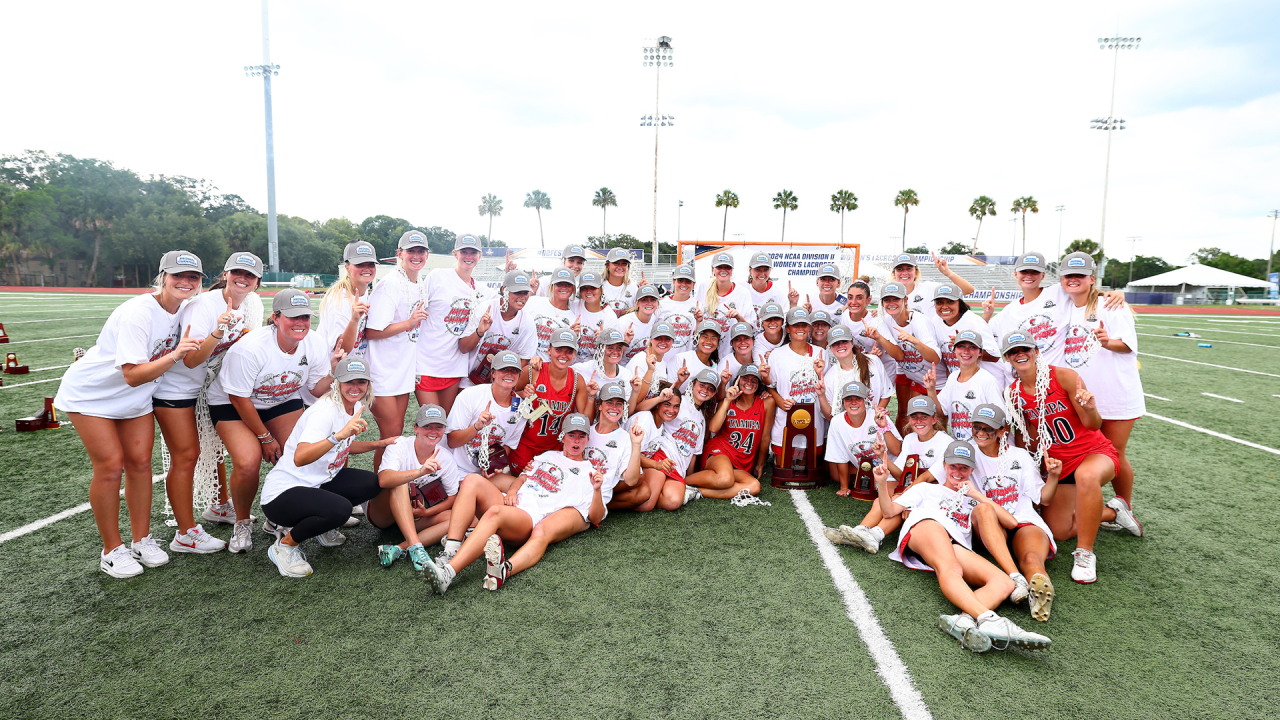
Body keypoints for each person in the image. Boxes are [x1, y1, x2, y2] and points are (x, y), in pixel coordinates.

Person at [55, 250, 205, 578]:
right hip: (92, 395)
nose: (185, 282)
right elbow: (132, 374)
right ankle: (111, 550)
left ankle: (142, 540)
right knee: (110, 466)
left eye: (192, 277)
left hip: (135, 397)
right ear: (162, 277)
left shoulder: (186, 308)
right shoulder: (139, 312)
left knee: (139, 464)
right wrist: (176, 355)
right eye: (177, 275)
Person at [876, 440, 1052, 653]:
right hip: (927, 526)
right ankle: (989, 618)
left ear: (972, 469)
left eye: (964, 467)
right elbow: (888, 512)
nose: (957, 472)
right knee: (951, 568)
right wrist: (882, 483)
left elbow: (1011, 522)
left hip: (955, 542)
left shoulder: (972, 500)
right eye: (953, 466)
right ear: (943, 465)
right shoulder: (925, 489)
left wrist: (977, 495)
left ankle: (962, 620)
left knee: (1004, 584)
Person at [1001, 331, 1140, 584]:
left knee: (1086, 476)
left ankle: (1085, 553)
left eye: (1025, 349)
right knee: (1059, 531)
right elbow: (1028, 437)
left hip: (1093, 454)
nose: (1020, 354)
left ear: (1036, 352)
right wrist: (1034, 470)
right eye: (1013, 352)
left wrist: (1090, 408)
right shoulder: (1013, 393)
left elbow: (1093, 424)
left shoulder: (1064, 376)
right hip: (1060, 465)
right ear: (1007, 358)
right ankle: (1112, 512)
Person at [210, 288, 342, 554]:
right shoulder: (250, 349)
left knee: (306, 453)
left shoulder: (314, 343)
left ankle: (283, 517)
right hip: (233, 404)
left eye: (305, 317)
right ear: (276, 318)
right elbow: (239, 399)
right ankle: (242, 521)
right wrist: (265, 437)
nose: (300, 323)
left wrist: (335, 371)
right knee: (248, 462)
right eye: (293, 317)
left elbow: (316, 389)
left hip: (280, 399)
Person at [153, 251, 265, 554]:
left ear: (257, 281)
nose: (243, 279)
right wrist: (218, 331)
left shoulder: (248, 304)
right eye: (237, 272)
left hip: (204, 387)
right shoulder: (205, 306)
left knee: (213, 449)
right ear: (225, 274)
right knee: (186, 457)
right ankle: (185, 533)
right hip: (177, 389)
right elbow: (190, 360)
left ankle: (218, 506)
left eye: (250, 275)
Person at [423, 413, 607, 593]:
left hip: (529, 517)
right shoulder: (549, 455)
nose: (576, 441)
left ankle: (447, 573)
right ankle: (451, 550)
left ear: (587, 439)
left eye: (581, 436)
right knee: (472, 480)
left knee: (495, 512)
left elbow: (595, 517)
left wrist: (597, 489)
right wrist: (512, 491)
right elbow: (524, 477)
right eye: (571, 435)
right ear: (563, 437)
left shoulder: (588, 472)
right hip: (515, 501)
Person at [258, 357, 394, 577]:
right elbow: (300, 457)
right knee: (340, 510)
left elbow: (343, 447)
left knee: (371, 483)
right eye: (349, 382)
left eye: (361, 382)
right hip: (281, 495)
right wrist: (339, 435)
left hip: (317, 481)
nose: (355, 387)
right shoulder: (324, 412)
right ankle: (285, 546)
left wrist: (379, 444)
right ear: (337, 382)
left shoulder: (355, 405)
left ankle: (322, 527)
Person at [1054, 251, 1146, 531]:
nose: (1073, 280)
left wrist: (1108, 342)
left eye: (1079, 276)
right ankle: (1108, 509)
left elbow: (1129, 345)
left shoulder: (1110, 305)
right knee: (1087, 454)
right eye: (1069, 275)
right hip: (1083, 397)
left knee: (1115, 453)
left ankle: (1123, 507)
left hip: (1115, 391)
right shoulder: (1065, 305)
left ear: (1091, 279)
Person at [965, 404, 1061, 622]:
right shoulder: (966, 453)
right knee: (984, 509)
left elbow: (1043, 498)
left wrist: (1053, 477)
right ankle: (1015, 578)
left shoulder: (1020, 456)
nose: (980, 433)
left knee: (1031, 558)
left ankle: (1039, 592)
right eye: (976, 426)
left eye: (987, 429)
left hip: (1021, 518)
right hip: (988, 524)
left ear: (1002, 431)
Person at [829, 395, 952, 547]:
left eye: (924, 417)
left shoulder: (946, 443)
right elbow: (901, 475)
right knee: (882, 498)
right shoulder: (910, 439)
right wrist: (882, 456)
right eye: (914, 417)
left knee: (896, 500)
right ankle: (859, 531)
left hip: (934, 493)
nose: (919, 421)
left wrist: (905, 495)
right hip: (914, 487)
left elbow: (927, 478)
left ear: (934, 419)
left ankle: (874, 536)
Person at [370, 404, 464, 572]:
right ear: (416, 428)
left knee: (457, 519)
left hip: (414, 517)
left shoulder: (446, 458)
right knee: (399, 483)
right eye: (427, 426)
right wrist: (421, 471)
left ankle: (398, 548)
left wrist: (426, 513)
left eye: (438, 427)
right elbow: (383, 480)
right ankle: (416, 548)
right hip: (383, 514)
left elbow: (452, 497)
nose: (433, 431)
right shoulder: (399, 445)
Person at [366, 230, 430, 471]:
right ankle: (377, 498)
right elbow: (372, 331)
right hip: (381, 373)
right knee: (390, 436)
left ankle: (384, 495)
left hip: (401, 373)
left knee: (394, 435)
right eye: (410, 251)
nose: (416, 255)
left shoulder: (419, 282)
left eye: (420, 251)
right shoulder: (390, 284)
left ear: (427, 254)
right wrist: (409, 323)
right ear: (399, 254)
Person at [416, 233, 491, 413]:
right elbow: (415, 306)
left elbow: (508, 300)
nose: (468, 256)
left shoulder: (480, 289)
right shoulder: (438, 276)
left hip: (455, 367)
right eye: (463, 251)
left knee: (445, 423)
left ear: (479, 256)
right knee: (430, 420)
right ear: (455, 253)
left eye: (473, 252)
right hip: (427, 363)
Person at [510, 329, 590, 473]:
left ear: (575, 354)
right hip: (525, 446)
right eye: (558, 349)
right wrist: (523, 393)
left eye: (569, 351)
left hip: (556, 450)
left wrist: (591, 397)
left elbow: (584, 419)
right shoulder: (534, 371)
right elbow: (508, 395)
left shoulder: (578, 381)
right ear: (549, 350)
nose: (563, 355)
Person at [446, 351, 529, 480]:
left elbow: (507, 445)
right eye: (504, 369)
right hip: (454, 467)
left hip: (484, 473)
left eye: (514, 370)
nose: (509, 374)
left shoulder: (521, 408)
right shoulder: (471, 395)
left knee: (520, 489)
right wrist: (476, 427)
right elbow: (451, 441)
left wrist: (493, 465)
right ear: (493, 373)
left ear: (519, 375)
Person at [691, 364, 771, 497]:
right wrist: (727, 400)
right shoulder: (727, 401)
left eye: (754, 380)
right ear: (738, 380)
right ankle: (681, 482)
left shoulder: (767, 402)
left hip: (742, 461)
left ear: (759, 384)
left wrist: (760, 464)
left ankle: (695, 492)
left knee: (754, 486)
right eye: (745, 378)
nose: (749, 383)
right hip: (720, 451)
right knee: (725, 479)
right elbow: (713, 428)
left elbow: (765, 437)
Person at [647, 370, 720, 510]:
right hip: (661, 457)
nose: (705, 390)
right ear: (692, 384)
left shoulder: (702, 420)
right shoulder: (679, 402)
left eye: (710, 388)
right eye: (702, 385)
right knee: (647, 500)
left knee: (672, 502)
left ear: (714, 394)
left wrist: (688, 480)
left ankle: (661, 490)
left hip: (678, 469)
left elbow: (693, 454)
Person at [876, 281, 941, 434]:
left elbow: (935, 359)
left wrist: (914, 341)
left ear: (905, 300)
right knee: (906, 413)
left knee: (936, 419)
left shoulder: (919, 321)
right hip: (915, 375)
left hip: (936, 379)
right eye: (887, 300)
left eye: (896, 299)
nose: (891, 303)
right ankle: (904, 449)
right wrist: (879, 338)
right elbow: (899, 355)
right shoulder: (886, 320)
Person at [766, 308, 827, 465]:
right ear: (787, 328)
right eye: (795, 325)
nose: (800, 328)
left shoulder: (821, 353)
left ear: (809, 328)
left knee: (810, 467)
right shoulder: (777, 355)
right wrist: (780, 401)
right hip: (785, 419)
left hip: (814, 421)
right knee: (783, 466)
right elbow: (770, 386)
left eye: (804, 325)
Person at [462, 270, 536, 387]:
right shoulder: (487, 308)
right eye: (517, 292)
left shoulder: (527, 321)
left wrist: (503, 379)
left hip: (498, 384)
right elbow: (463, 348)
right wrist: (479, 332)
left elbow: (523, 359)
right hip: (469, 378)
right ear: (504, 289)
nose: (522, 297)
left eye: (525, 293)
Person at [928, 329, 1004, 442]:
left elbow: (1002, 421)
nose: (966, 351)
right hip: (961, 449)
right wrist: (931, 390)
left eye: (972, 347)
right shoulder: (953, 377)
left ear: (980, 352)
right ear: (954, 350)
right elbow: (941, 412)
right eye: (961, 346)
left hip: (983, 448)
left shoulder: (987, 380)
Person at [585, 382, 646, 514]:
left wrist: (636, 445)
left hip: (593, 499)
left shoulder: (626, 439)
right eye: (609, 402)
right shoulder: (585, 433)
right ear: (599, 405)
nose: (614, 407)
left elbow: (631, 480)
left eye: (619, 403)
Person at [929, 283, 1002, 389]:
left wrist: (965, 344)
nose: (944, 306)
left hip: (988, 384)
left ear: (960, 303)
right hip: (962, 383)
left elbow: (994, 356)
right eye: (940, 302)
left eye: (950, 301)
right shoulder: (936, 321)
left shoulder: (973, 321)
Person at [822, 381, 886, 498]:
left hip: (886, 465)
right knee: (835, 474)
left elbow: (897, 450)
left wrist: (885, 427)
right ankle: (866, 476)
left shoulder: (877, 416)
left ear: (866, 401)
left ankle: (875, 477)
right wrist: (844, 487)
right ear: (843, 402)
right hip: (861, 464)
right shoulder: (837, 421)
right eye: (848, 399)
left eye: (858, 398)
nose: (854, 402)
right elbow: (839, 455)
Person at [320, 241, 377, 360]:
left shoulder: (365, 292)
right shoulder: (338, 298)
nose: (366, 269)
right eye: (360, 264)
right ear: (347, 267)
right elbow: (341, 349)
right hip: (333, 370)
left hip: (354, 367)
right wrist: (354, 320)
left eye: (371, 264)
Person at [697, 252, 757, 354]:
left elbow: (751, 329)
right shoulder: (704, 287)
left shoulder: (742, 293)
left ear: (732, 270)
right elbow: (696, 322)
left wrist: (738, 317)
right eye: (719, 267)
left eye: (727, 267)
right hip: (705, 352)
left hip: (729, 352)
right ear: (713, 270)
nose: (723, 270)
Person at [823, 325, 892, 412]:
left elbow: (886, 394)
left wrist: (873, 416)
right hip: (846, 424)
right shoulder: (829, 378)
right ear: (830, 348)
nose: (840, 345)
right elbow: (832, 413)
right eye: (835, 343)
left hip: (874, 421)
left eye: (844, 341)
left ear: (852, 343)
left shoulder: (873, 361)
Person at [887, 252, 976, 319]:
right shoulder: (888, 296)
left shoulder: (930, 288)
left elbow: (968, 290)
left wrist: (947, 272)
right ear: (894, 273)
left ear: (916, 272)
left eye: (909, 268)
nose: (904, 273)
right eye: (900, 269)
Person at [624, 321, 678, 415]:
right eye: (658, 338)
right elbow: (636, 401)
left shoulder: (665, 365)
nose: (663, 342)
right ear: (651, 340)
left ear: (672, 341)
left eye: (667, 339)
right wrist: (650, 370)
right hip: (630, 415)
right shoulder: (640, 358)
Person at [524, 267, 578, 360]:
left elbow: (568, 355)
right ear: (552, 285)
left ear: (573, 288)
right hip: (524, 363)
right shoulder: (533, 301)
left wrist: (573, 336)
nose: (564, 287)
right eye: (559, 284)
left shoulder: (573, 319)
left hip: (548, 370)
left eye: (568, 284)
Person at [572, 327, 630, 404]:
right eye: (610, 348)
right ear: (599, 350)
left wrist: (636, 392)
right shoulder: (582, 369)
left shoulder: (626, 375)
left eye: (619, 348)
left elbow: (626, 410)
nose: (615, 352)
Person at [571, 270, 618, 360]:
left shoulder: (610, 316)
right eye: (584, 287)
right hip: (572, 367)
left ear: (601, 289)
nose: (588, 291)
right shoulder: (573, 306)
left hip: (595, 369)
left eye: (593, 287)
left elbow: (613, 353)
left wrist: (604, 342)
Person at [655, 264, 700, 356]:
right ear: (674, 282)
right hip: (662, 361)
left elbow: (699, 338)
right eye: (680, 280)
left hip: (686, 362)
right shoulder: (661, 305)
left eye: (688, 281)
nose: (683, 284)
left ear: (693, 284)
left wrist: (699, 322)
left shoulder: (698, 306)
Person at [670, 319, 723, 394]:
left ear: (718, 343)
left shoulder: (715, 367)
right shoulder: (680, 359)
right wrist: (679, 382)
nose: (708, 341)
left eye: (713, 338)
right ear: (697, 338)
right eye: (705, 337)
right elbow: (667, 393)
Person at [620, 284, 661, 363]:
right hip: (624, 369)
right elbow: (613, 355)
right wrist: (626, 342)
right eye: (644, 300)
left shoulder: (655, 320)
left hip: (644, 369)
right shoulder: (623, 323)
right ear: (637, 303)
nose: (649, 303)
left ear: (658, 303)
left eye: (653, 300)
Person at [745, 252, 788, 317]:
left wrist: (793, 304)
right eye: (758, 269)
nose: (762, 274)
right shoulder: (742, 289)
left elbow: (784, 319)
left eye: (766, 270)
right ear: (750, 270)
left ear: (770, 271)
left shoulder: (778, 293)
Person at [602, 248, 641, 313]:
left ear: (628, 267)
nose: (620, 267)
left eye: (624, 263)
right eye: (616, 263)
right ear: (607, 265)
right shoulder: (599, 285)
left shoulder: (633, 287)